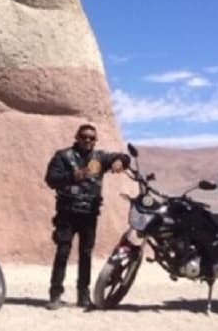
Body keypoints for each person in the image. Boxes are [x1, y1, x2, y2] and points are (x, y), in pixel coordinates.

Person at [44, 123, 128, 310]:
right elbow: (50, 179)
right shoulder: (63, 156)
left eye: (91, 138)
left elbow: (123, 156)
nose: (88, 140)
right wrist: (73, 176)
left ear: (95, 140)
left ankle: (83, 296)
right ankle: (55, 295)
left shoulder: (99, 158)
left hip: (89, 215)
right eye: (84, 137)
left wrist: (120, 161)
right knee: (62, 253)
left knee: (86, 255)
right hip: (67, 213)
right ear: (77, 137)